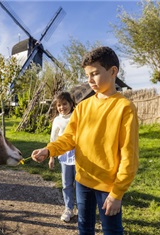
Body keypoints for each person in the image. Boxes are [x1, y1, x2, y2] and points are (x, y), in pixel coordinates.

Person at [31, 46, 139, 235]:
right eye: (87, 75)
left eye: (95, 74)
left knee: (111, 230)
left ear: (113, 71)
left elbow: (129, 155)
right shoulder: (83, 107)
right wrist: (49, 150)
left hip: (109, 186)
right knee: (84, 226)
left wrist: (117, 192)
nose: (89, 80)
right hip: (82, 180)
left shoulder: (124, 107)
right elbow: (70, 137)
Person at [48, 91, 77, 222]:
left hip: (79, 153)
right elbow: (53, 139)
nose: (62, 107)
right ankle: (69, 209)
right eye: (59, 105)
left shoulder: (77, 116)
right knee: (66, 183)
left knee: (81, 184)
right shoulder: (57, 120)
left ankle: (82, 209)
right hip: (64, 155)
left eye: (64, 104)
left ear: (71, 104)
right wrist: (51, 157)